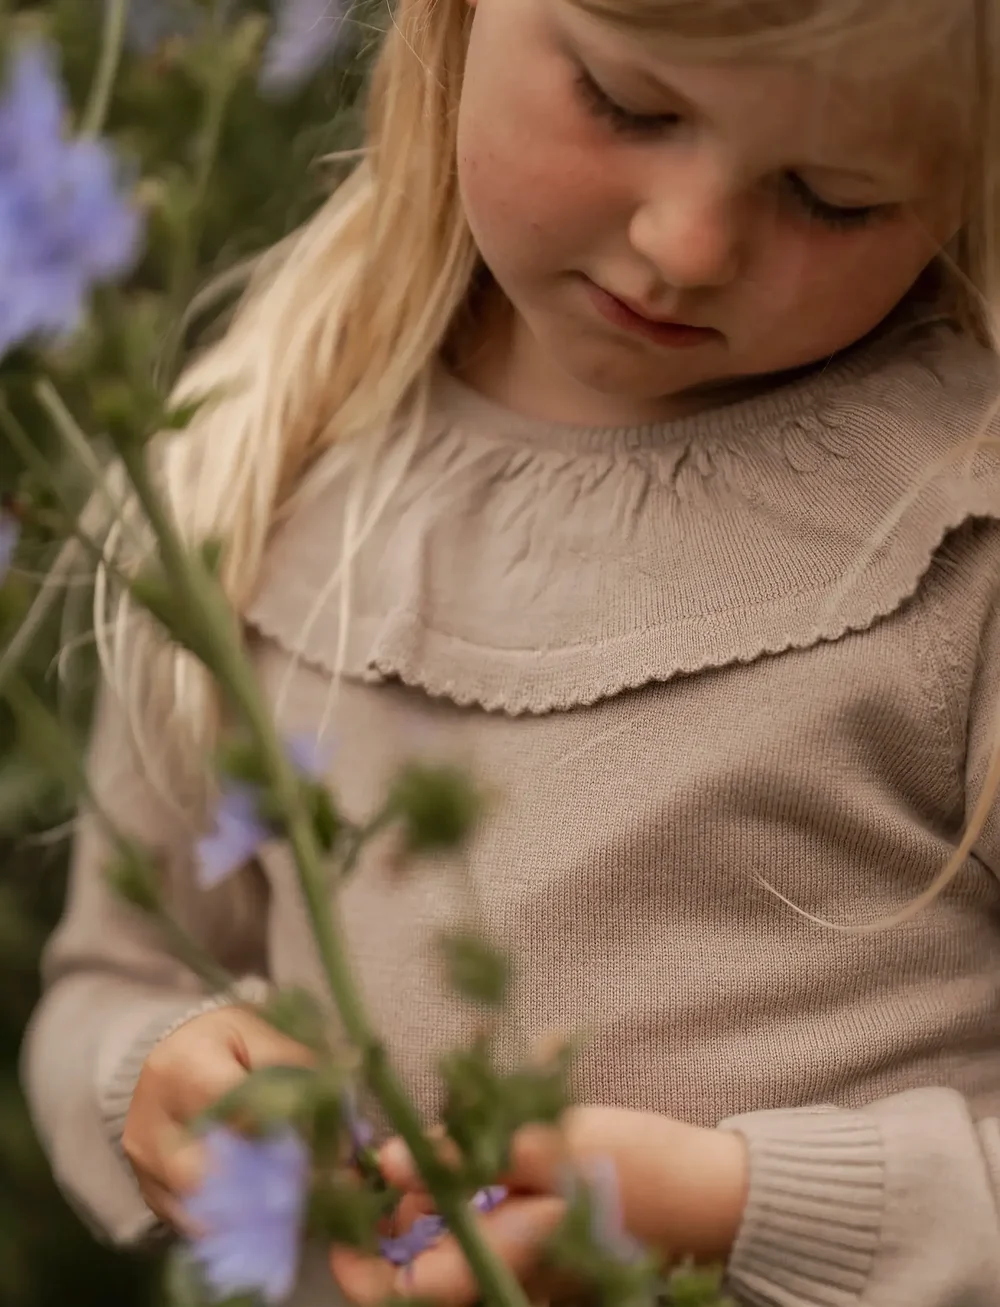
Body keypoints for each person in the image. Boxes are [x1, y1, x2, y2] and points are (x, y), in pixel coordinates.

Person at [20, 0, 1000, 1301]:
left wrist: (746, 1210)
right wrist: (155, 1069)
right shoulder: (268, 473)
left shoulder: (960, 527)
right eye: (626, 106)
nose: (684, 245)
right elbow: (110, 974)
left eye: (832, 195)